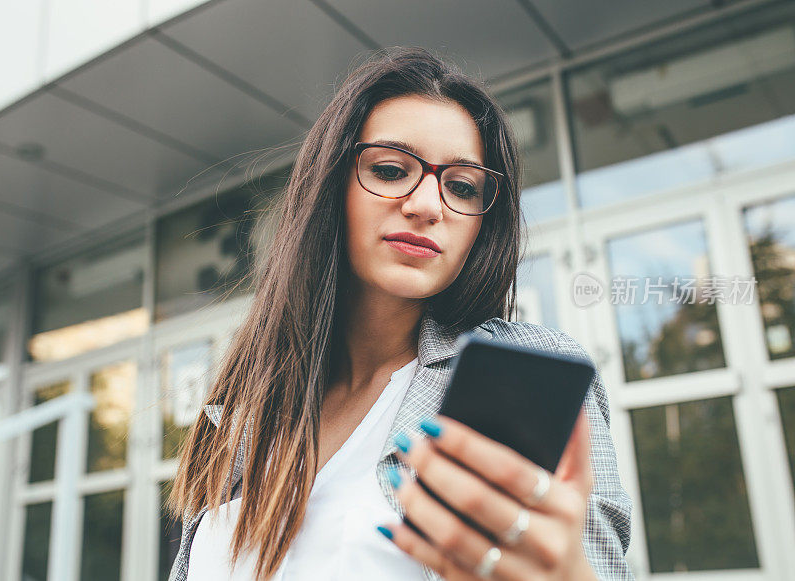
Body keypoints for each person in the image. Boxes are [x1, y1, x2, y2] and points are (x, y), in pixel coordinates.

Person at [166, 46, 633, 581]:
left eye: (461, 186)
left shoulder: (520, 375)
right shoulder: (252, 398)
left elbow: (591, 562)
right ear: (330, 187)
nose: (428, 205)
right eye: (390, 170)